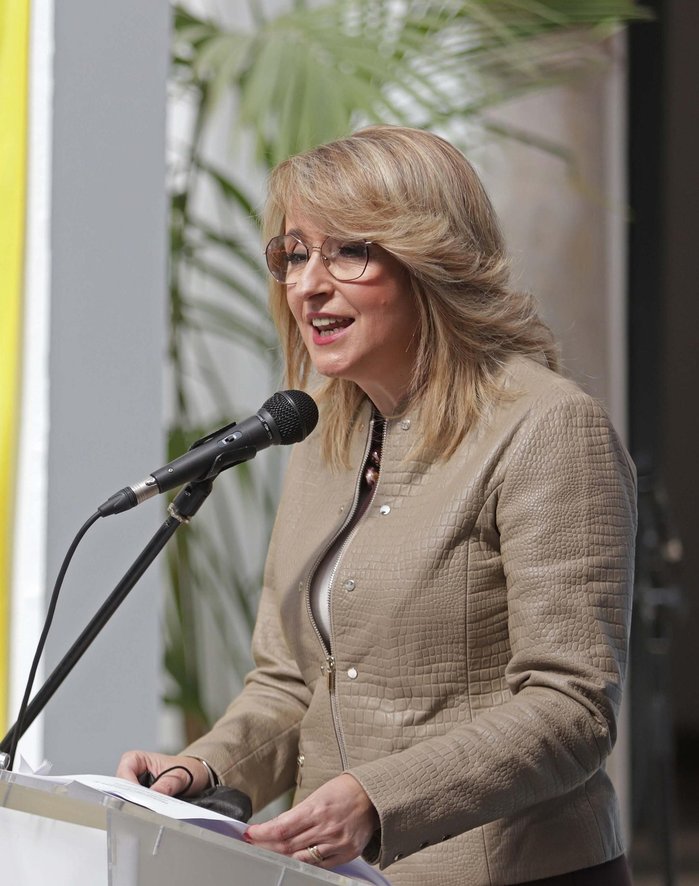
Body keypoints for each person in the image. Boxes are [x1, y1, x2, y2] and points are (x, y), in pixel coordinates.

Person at [116, 125, 636, 886]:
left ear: (433, 260)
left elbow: (572, 705)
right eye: (294, 254)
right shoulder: (325, 430)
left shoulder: (548, 427)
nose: (307, 285)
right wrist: (202, 767)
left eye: (347, 251)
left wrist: (378, 797)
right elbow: (293, 680)